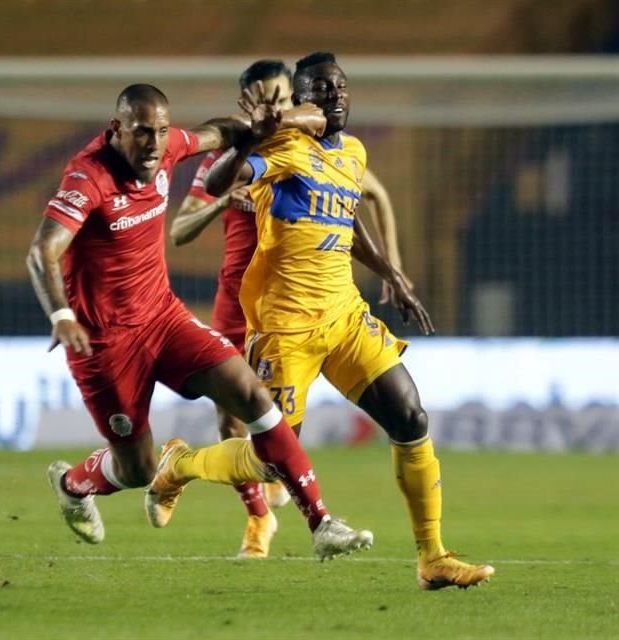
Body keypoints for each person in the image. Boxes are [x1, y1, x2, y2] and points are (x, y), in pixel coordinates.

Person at [149, 53, 495, 590]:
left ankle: (433, 557)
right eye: (319, 88)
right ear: (303, 98)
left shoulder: (352, 153)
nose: (333, 95)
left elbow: (350, 218)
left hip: (345, 317)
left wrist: (391, 273)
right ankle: (180, 464)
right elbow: (221, 181)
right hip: (286, 324)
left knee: (411, 418)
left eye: (340, 86)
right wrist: (246, 140)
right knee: (272, 464)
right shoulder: (285, 150)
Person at [27, 83, 374, 561]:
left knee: (253, 396)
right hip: (104, 344)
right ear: (116, 129)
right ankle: (73, 483)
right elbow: (42, 250)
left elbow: (216, 132)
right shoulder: (88, 178)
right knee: (138, 470)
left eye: (161, 132)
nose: (153, 144)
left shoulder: (170, 147)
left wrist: (256, 131)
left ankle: (322, 523)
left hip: (164, 319)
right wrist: (62, 315)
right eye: (142, 133)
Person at [169, 59, 412, 559]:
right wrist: (225, 199)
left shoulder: (309, 148)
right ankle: (259, 520)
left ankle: (198, 471)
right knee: (232, 423)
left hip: (304, 304)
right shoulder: (242, 154)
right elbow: (179, 230)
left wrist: (393, 269)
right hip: (239, 300)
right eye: (262, 98)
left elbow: (369, 201)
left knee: (271, 440)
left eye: (280, 96)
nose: (275, 107)